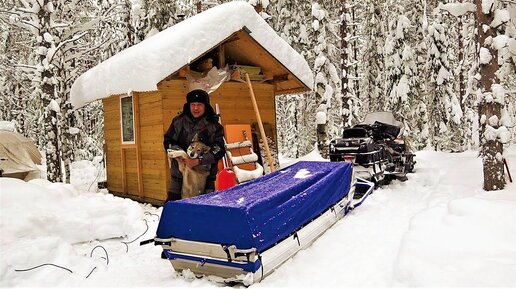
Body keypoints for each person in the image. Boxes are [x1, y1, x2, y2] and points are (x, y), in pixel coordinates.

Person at [163, 89, 225, 201]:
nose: (196, 108)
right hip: (179, 176)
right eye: (193, 104)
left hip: (205, 178)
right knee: (174, 209)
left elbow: (219, 149)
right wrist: (178, 154)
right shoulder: (178, 121)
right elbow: (168, 140)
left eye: (199, 105)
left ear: (205, 106)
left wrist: (199, 160)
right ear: (188, 105)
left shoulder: (214, 126)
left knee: (203, 211)